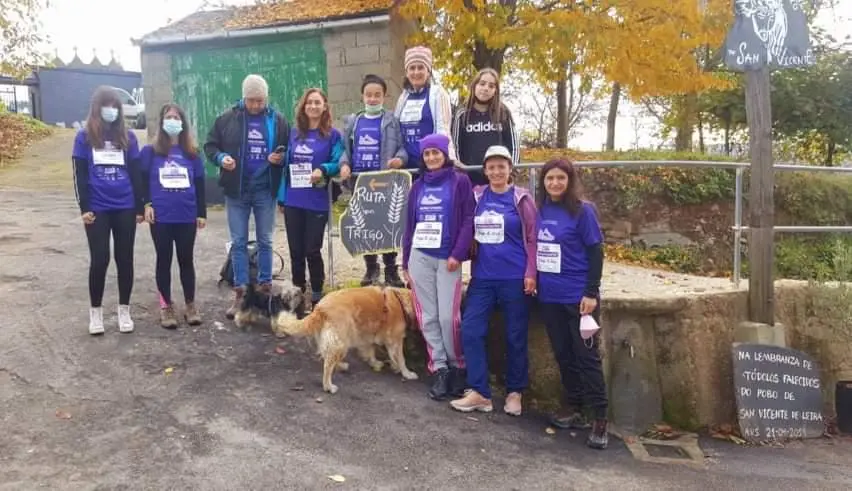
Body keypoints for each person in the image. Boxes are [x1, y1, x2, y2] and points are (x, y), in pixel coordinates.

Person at [449, 145, 537, 416]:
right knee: (471, 330)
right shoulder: (477, 197)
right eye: (491, 167)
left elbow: (533, 237)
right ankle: (480, 392)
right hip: (482, 279)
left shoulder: (521, 199)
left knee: (515, 336)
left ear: (510, 169)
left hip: (514, 277)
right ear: (485, 171)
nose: (497, 171)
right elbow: (464, 225)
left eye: (502, 166)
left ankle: (515, 392)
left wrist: (531, 272)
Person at [535, 157, 608, 450]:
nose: (554, 183)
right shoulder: (539, 209)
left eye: (560, 178)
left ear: (569, 181)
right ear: (543, 181)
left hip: (579, 300)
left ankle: (600, 418)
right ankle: (574, 407)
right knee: (564, 355)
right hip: (549, 296)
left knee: (587, 359)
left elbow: (596, 252)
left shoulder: (583, 211)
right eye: (549, 178)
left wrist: (591, 293)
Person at [203, 74, 290, 319]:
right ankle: (241, 292)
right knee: (239, 242)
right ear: (244, 97)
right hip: (237, 190)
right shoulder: (227, 119)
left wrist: (279, 157)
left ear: (266, 98)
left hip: (265, 188)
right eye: (251, 100)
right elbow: (210, 146)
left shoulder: (278, 120)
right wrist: (221, 159)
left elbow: (288, 149)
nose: (255, 105)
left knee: (266, 240)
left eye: (260, 101)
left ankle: (264, 289)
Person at [402, 133, 475, 400]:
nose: (432, 157)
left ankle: (458, 366)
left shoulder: (460, 182)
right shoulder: (418, 186)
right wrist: (405, 261)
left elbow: (469, 219)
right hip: (420, 257)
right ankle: (439, 368)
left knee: (448, 317)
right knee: (428, 317)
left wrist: (458, 252)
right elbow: (409, 225)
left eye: (436, 152)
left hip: (448, 258)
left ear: (445, 154)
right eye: (427, 154)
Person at [72, 85, 144, 335]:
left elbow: (136, 173)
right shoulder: (84, 137)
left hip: (125, 206)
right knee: (100, 259)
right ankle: (96, 313)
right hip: (98, 208)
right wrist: (85, 207)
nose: (111, 110)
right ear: (96, 108)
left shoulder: (129, 137)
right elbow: (79, 175)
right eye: (107, 105)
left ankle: (124, 310)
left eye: (115, 106)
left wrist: (139, 206)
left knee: (125, 259)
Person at [140, 103, 207, 329]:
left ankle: (190, 305)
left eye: (177, 117)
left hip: (186, 215)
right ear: (161, 122)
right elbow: (141, 180)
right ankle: (166, 306)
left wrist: (201, 213)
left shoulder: (191, 154)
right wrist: (145, 205)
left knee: (186, 260)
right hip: (161, 217)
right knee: (164, 260)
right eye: (168, 117)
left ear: (183, 123)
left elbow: (200, 185)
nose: (173, 120)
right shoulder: (150, 152)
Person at [338, 74, 408, 287]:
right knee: (365, 225)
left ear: (384, 97)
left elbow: (403, 148)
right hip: (361, 183)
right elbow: (345, 150)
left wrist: (400, 159)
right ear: (362, 96)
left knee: (388, 224)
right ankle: (371, 268)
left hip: (384, 181)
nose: (373, 98)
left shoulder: (392, 121)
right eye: (369, 95)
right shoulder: (353, 121)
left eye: (377, 95)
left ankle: (391, 270)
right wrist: (344, 165)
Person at [277, 88, 343, 305]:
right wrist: (282, 198)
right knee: (295, 250)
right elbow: (286, 167)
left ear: (324, 106)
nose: (313, 106)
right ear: (303, 107)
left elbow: (338, 161)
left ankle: (316, 292)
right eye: (309, 103)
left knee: (312, 249)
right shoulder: (294, 133)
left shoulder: (333, 135)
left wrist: (323, 169)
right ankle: (298, 291)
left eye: (317, 102)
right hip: (294, 199)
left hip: (317, 201)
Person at [393, 46, 457, 172]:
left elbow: (443, 130)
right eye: (412, 68)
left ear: (428, 71)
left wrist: (447, 160)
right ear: (406, 72)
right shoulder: (403, 97)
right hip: (406, 167)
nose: (416, 72)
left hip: (431, 164)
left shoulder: (438, 93)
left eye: (421, 67)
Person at [452, 68, 519, 187]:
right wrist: (461, 170)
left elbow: (513, 145)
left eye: (491, 86)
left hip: (498, 177)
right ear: (474, 86)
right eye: (482, 84)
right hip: (470, 178)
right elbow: (455, 145)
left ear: (496, 90)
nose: (486, 88)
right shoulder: (462, 114)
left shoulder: (503, 112)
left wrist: (512, 169)